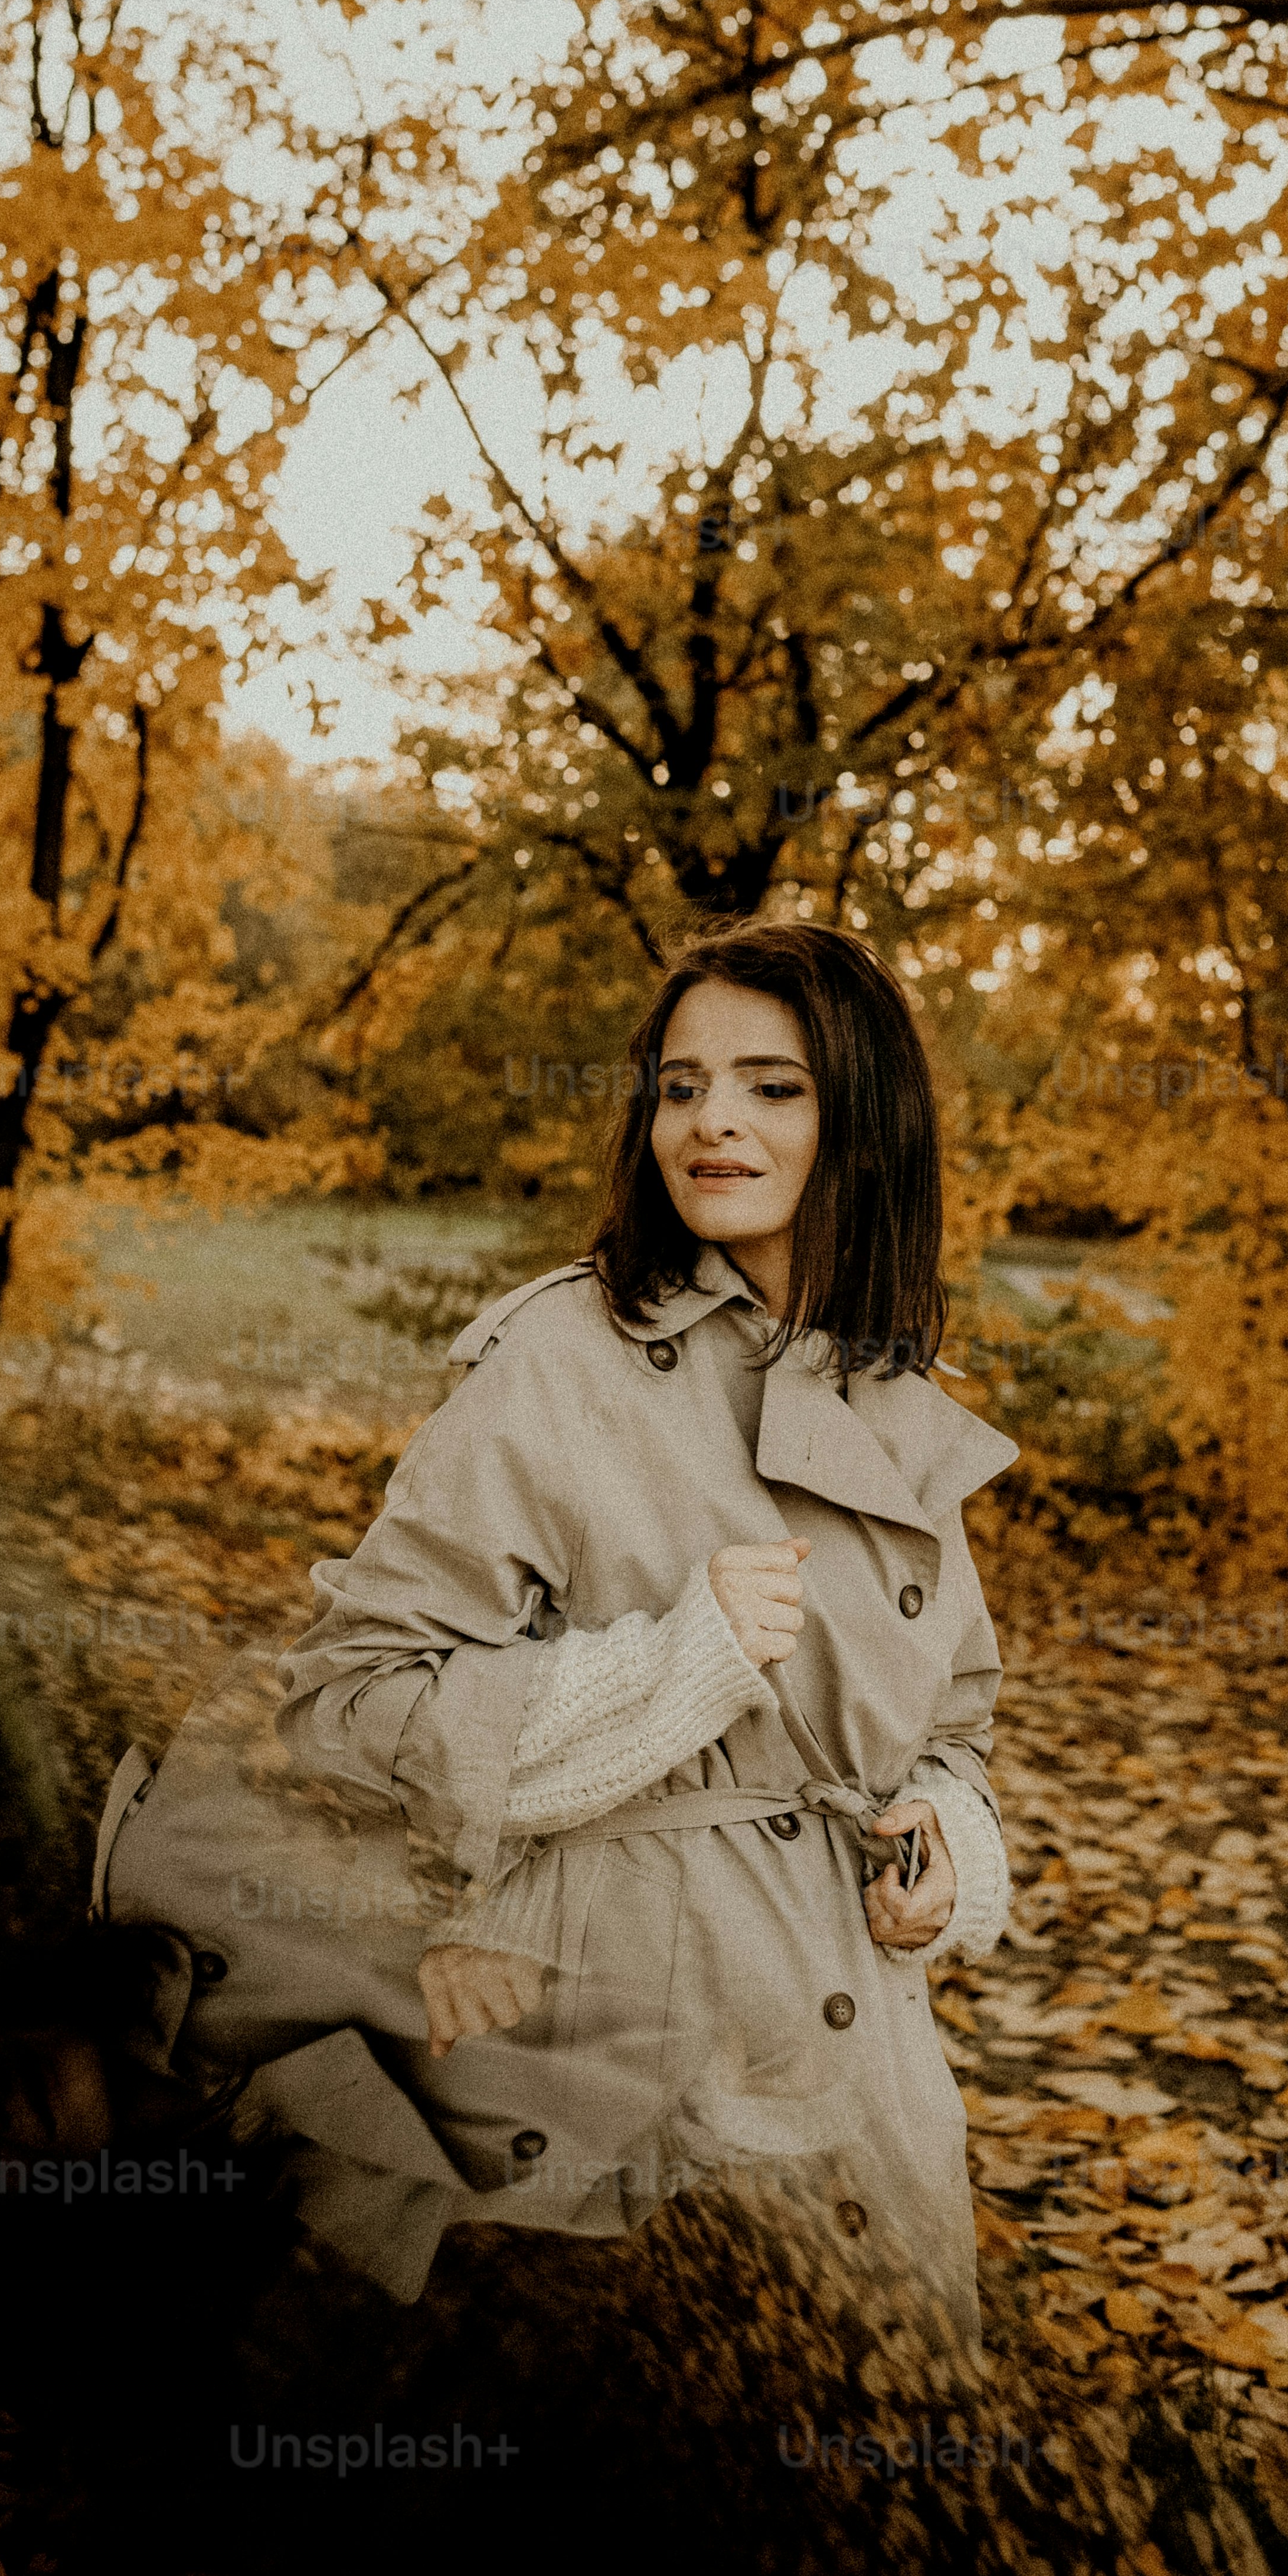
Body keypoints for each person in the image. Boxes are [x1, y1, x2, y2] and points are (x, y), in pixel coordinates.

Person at [89, 917, 1017, 2372]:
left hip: (851, 2046)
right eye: (681, 1084)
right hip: (594, 2028)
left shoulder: (891, 1385)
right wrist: (668, 1674)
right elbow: (351, 1703)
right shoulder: (560, 1359)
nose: (710, 1121)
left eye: (771, 1087)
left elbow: (950, 1719)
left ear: (865, 1122)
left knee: (857, 2491)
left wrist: (944, 1841)